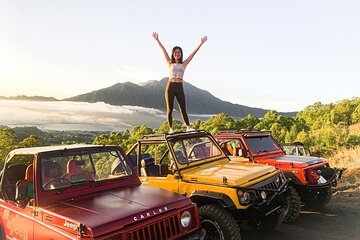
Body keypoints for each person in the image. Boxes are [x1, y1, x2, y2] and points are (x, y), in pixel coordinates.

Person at [152, 32, 207, 133]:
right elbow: (163, 50)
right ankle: (171, 129)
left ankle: (188, 127)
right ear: (173, 54)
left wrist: (201, 43)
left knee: (183, 108)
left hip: (179, 86)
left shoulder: (184, 63)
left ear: (181, 54)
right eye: (175, 52)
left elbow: (193, 54)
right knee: (170, 109)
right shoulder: (170, 62)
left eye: (179, 52)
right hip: (170, 86)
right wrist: (157, 40)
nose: (177, 54)